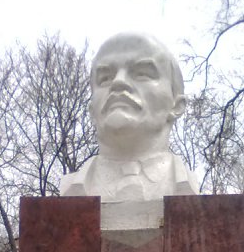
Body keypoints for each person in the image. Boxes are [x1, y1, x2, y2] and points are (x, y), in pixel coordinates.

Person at [61, 32, 198, 206]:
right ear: (92, 110)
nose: (118, 82)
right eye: (105, 78)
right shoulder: (71, 188)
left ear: (176, 105)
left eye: (142, 74)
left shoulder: (187, 186)